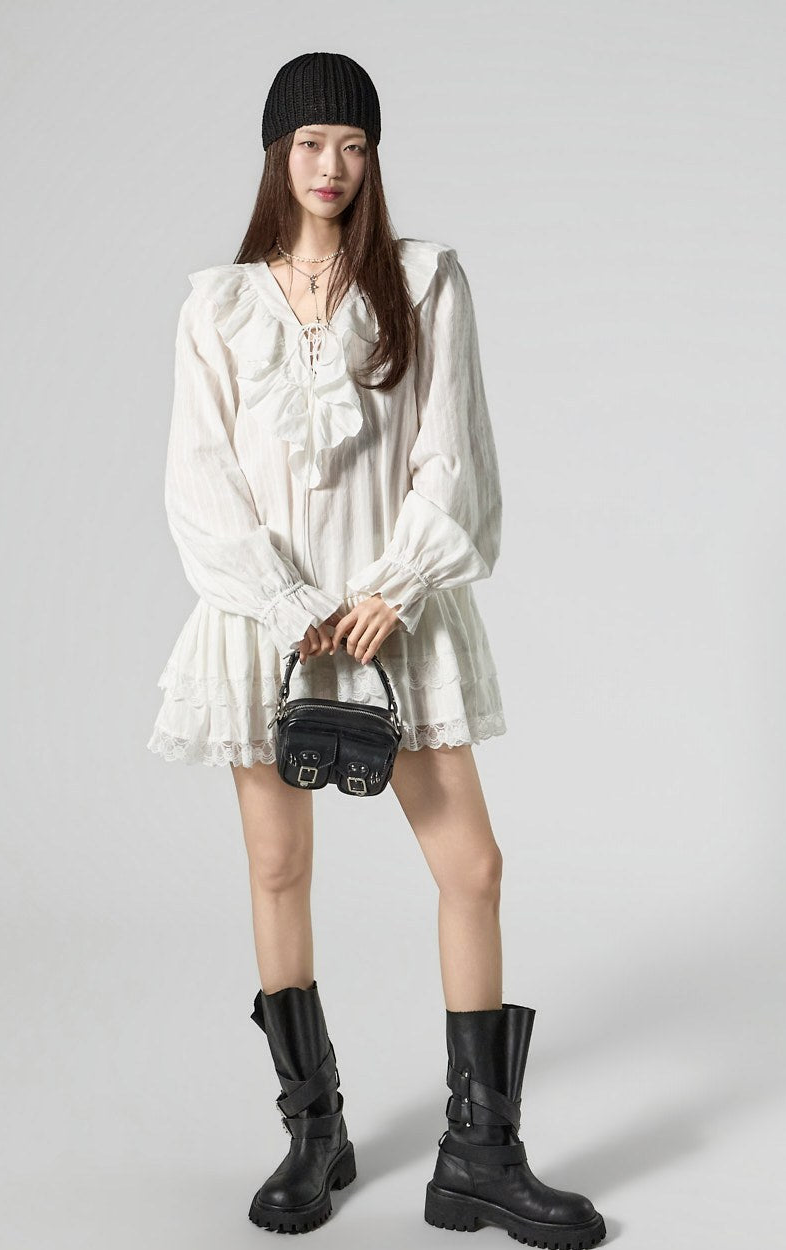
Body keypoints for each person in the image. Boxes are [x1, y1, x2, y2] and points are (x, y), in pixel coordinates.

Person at [147, 50, 606, 1248]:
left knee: (472, 865)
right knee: (278, 867)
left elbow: (454, 457)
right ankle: (315, 1129)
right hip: (268, 624)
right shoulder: (217, 306)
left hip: (390, 618)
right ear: (276, 154)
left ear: (373, 156)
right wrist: (283, 597)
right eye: (310, 142)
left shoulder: (422, 280)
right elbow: (199, 483)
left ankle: (479, 1155)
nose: (332, 164)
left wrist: (392, 587)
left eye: (353, 143)